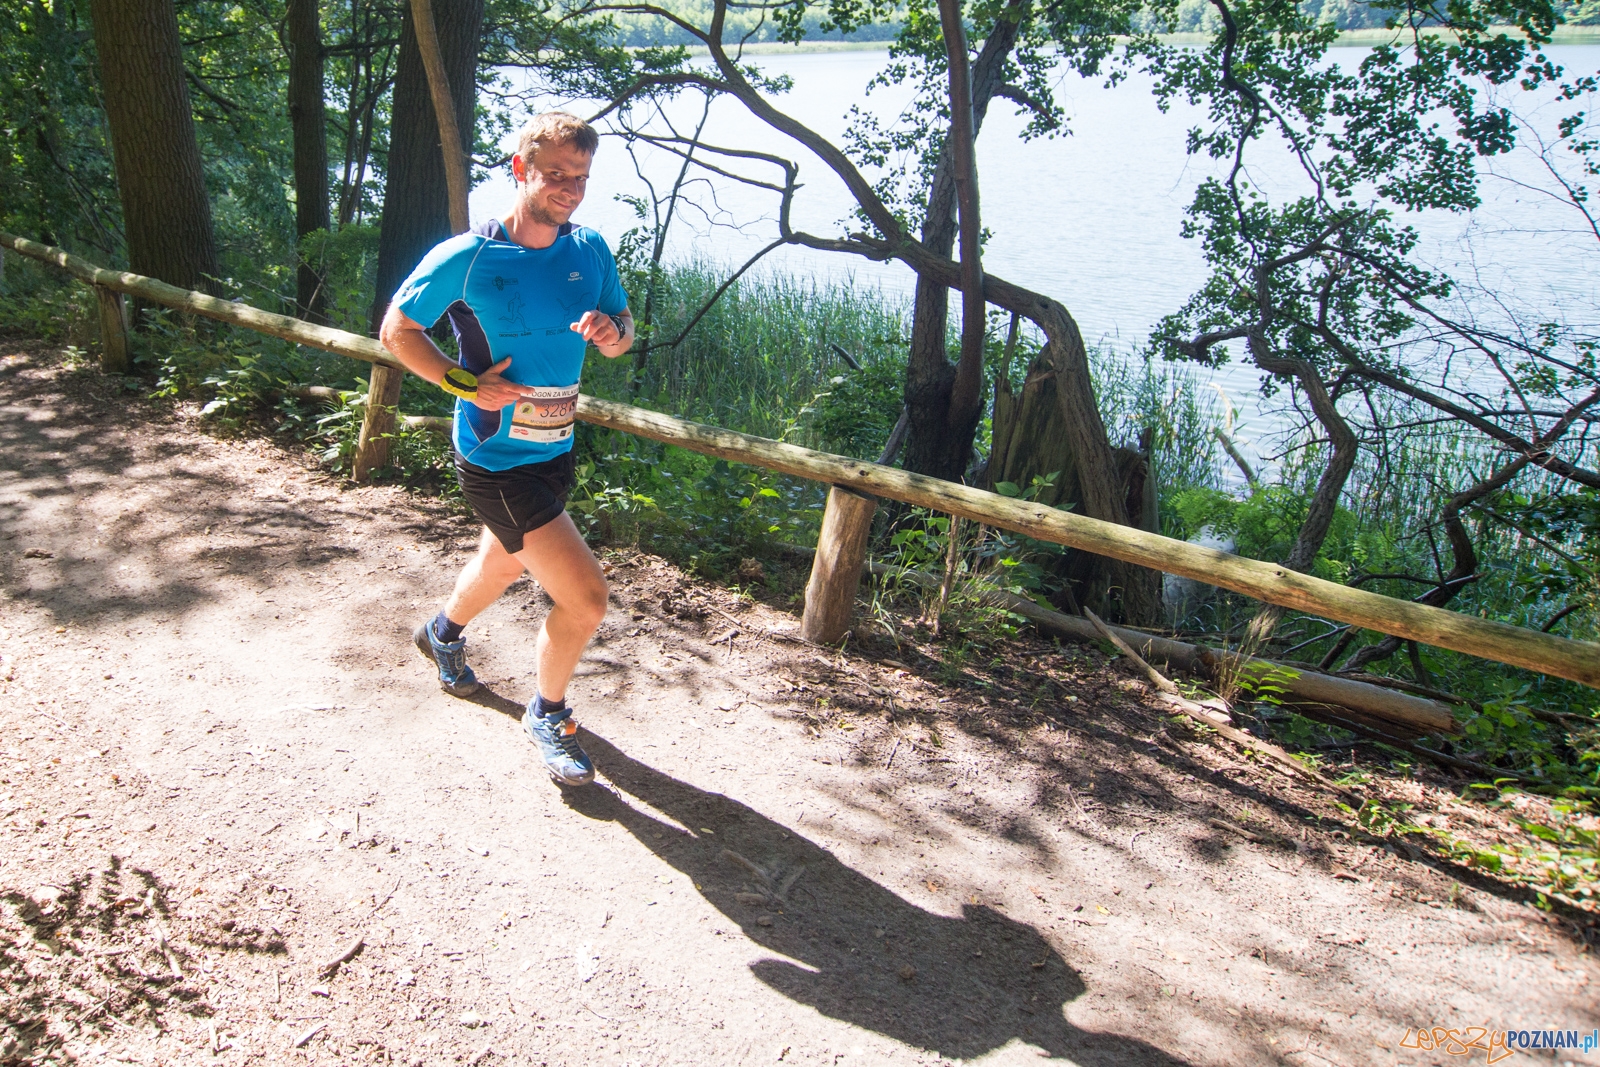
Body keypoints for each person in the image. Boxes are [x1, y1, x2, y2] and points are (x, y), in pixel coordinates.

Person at [377, 112, 633, 787]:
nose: (570, 189)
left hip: (556, 451)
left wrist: (612, 332)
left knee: (501, 564)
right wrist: (465, 382)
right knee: (585, 599)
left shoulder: (590, 250)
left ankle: (442, 633)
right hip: (494, 461)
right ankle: (548, 713)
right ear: (520, 170)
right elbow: (396, 331)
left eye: (580, 178)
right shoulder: (469, 256)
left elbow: (625, 327)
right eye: (555, 176)